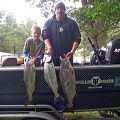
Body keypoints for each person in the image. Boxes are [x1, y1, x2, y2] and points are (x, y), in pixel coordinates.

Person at [42, 2, 81, 112]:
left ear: (64, 10)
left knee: (68, 82)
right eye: (57, 9)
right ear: (55, 10)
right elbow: (45, 35)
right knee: (55, 83)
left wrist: (72, 51)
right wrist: (49, 48)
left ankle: (69, 104)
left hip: (67, 58)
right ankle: (57, 108)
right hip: (53, 58)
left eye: (61, 9)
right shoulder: (48, 22)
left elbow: (77, 38)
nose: (59, 11)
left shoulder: (71, 23)